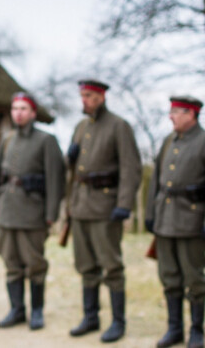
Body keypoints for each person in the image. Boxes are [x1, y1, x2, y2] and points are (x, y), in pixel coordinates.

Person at [145, 96, 205, 348]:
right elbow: (156, 183)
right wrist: (151, 214)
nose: (171, 116)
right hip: (165, 221)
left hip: (192, 222)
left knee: (194, 278)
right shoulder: (169, 141)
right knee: (169, 276)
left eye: (177, 112)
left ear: (191, 114)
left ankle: (197, 331)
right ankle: (174, 329)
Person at [67, 79, 141, 343]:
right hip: (81, 206)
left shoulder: (119, 126)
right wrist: (70, 157)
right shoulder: (80, 127)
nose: (84, 100)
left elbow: (131, 168)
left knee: (111, 267)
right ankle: (91, 317)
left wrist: (123, 204)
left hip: (106, 207)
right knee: (86, 265)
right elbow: (73, 172)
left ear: (101, 96)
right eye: (82, 95)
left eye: (88, 95)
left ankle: (118, 322)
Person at [0, 92, 65, 330]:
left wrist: (51, 214)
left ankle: (37, 311)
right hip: (7, 210)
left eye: (23, 109)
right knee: (11, 263)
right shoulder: (7, 139)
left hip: (33, 212)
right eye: (15, 108)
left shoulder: (46, 140)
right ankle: (17, 310)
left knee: (35, 265)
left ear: (32, 113)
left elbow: (55, 180)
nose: (18, 112)